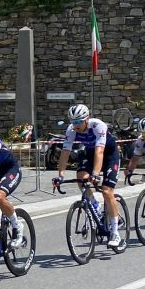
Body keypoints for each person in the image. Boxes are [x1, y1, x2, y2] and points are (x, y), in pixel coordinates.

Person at [53, 103, 125, 251]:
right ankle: (96, 207)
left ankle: (115, 233)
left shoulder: (98, 126)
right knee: (81, 177)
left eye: (79, 122)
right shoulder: (71, 130)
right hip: (90, 154)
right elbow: (65, 152)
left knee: (107, 191)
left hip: (109, 155)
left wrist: (96, 174)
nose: (76, 125)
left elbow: (100, 151)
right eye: (73, 122)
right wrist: (60, 175)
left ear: (87, 119)